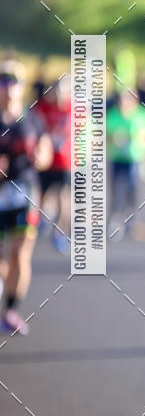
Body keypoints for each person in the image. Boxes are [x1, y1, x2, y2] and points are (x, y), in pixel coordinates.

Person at [0, 59, 52, 335]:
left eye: (14, 81)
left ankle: (10, 311)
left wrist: (41, 157)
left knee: (21, 255)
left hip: (25, 192)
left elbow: (45, 154)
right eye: (3, 80)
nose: (9, 87)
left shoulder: (32, 119)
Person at [106, 88, 145, 239]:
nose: (123, 103)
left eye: (127, 99)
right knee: (116, 190)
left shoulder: (143, 115)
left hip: (135, 159)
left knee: (132, 189)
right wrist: (113, 138)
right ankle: (115, 220)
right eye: (121, 100)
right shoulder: (112, 114)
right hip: (116, 158)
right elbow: (103, 135)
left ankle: (130, 217)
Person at [34, 76, 71, 255]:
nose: (59, 94)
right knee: (42, 194)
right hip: (46, 162)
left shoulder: (75, 110)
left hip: (66, 162)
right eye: (56, 90)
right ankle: (42, 220)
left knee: (64, 196)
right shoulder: (42, 108)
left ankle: (60, 233)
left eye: (63, 90)